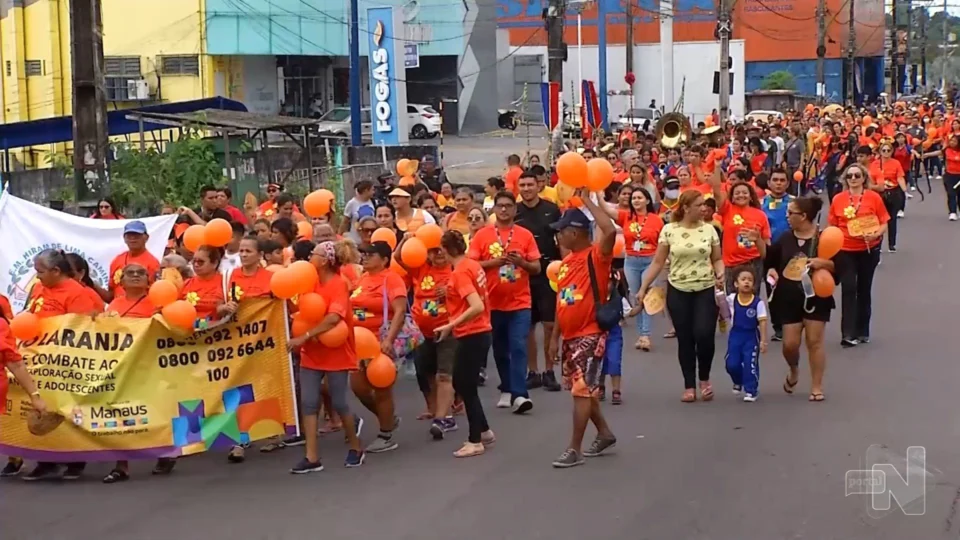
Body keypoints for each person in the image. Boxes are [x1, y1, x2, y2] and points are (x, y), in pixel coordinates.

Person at [17, 249, 103, 481]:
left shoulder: (77, 293)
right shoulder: (39, 289)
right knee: (43, 410)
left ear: (56, 271)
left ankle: (76, 459)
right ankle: (46, 460)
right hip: (39, 359)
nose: (37, 276)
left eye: (41, 271)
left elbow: (83, 331)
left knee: (68, 409)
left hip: (65, 363)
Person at [546, 196, 618, 469]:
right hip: (570, 336)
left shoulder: (596, 257)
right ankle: (604, 433)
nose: (558, 235)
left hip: (590, 333)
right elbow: (561, 300)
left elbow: (609, 230)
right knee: (583, 390)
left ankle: (574, 448)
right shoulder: (565, 263)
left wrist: (589, 200)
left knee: (581, 390)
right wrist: (554, 338)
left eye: (561, 230)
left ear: (574, 232)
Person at [636, 191, 724, 402]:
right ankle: (689, 385)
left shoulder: (709, 229)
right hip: (678, 289)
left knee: (704, 335)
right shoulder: (669, 230)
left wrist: (720, 272)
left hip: (705, 288)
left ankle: (704, 378)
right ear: (686, 208)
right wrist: (643, 287)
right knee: (685, 339)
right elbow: (658, 262)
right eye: (699, 205)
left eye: (704, 205)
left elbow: (717, 258)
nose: (704, 208)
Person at [286, 241, 364, 472]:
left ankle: (355, 447)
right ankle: (311, 457)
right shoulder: (309, 282)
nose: (310, 256)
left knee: (339, 402)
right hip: (313, 351)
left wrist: (305, 336)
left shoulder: (339, 284)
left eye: (314, 254)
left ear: (325, 260)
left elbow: (333, 318)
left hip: (336, 350)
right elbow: (301, 308)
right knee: (309, 402)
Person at [468, 191, 542, 414]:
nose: (503, 210)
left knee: (518, 346)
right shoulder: (482, 235)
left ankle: (520, 395)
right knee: (500, 350)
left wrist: (522, 263)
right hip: (492, 302)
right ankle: (507, 388)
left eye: (508, 206)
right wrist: (493, 262)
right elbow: (470, 267)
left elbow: (537, 267)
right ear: (494, 209)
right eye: (500, 206)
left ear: (514, 209)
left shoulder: (525, 235)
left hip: (520, 302)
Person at [766, 196, 836, 402]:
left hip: (816, 295)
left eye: (791, 213)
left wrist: (822, 263)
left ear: (804, 216)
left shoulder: (823, 238)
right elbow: (771, 262)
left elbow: (839, 266)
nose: (787, 217)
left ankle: (816, 386)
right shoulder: (785, 238)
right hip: (788, 298)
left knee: (814, 342)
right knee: (789, 344)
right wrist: (772, 272)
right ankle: (794, 369)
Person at [432, 230, 496, 457]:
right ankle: (484, 430)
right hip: (479, 331)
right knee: (464, 383)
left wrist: (451, 324)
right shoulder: (473, 265)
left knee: (464, 384)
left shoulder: (460, 272)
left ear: (446, 250)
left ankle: (475, 439)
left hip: (472, 332)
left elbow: (476, 305)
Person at [101, 263, 162, 483]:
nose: (135, 276)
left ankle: (164, 452)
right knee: (119, 412)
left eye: (141, 273)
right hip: (121, 367)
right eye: (130, 273)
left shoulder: (158, 303)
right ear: (121, 280)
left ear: (149, 280)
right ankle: (121, 465)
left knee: (155, 411)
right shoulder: (114, 305)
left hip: (149, 366)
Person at [395, 236, 456, 436]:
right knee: (424, 371)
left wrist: (450, 291)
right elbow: (398, 257)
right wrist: (407, 239)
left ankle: (443, 417)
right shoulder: (420, 268)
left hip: (448, 330)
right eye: (432, 250)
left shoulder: (456, 270)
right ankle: (433, 407)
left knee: (444, 374)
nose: (437, 254)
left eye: (440, 250)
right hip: (421, 332)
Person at [349, 241, 406, 453]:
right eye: (364, 253)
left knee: (382, 388)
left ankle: (386, 434)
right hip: (358, 343)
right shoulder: (362, 278)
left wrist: (388, 340)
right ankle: (388, 419)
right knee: (358, 387)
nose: (365, 257)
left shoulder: (391, 278)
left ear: (383, 259)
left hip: (380, 340)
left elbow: (399, 310)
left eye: (370, 254)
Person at [828, 163, 889, 348]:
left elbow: (884, 221)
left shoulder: (874, 198)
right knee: (849, 288)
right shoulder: (838, 199)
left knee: (864, 289)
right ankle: (848, 333)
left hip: (868, 249)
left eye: (857, 175)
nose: (853, 179)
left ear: (864, 178)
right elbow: (832, 225)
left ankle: (862, 331)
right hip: (845, 249)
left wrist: (877, 233)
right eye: (850, 176)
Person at [515, 172, 563, 391]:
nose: (526, 188)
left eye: (530, 184)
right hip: (523, 272)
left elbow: (561, 240)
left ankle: (549, 371)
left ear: (538, 186)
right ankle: (532, 372)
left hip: (549, 272)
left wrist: (566, 267)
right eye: (522, 185)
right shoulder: (514, 212)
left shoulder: (551, 209)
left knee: (550, 324)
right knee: (528, 326)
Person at [618, 187, 664, 351]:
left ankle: (646, 335)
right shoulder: (625, 217)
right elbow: (604, 211)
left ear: (647, 200)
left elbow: (662, 242)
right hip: (631, 261)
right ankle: (641, 335)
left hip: (650, 261)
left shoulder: (656, 219)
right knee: (636, 296)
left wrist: (663, 260)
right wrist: (595, 195)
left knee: (646, 296)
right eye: (633, 198)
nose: (636, 200)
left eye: (639, 197)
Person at [710, 173, 771, 295]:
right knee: (732, 302)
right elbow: (716, 192)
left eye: (744, 192)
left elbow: (766, 245)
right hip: (732, 264)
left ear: (751, 196)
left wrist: (757, 240)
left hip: (754, 263)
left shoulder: (760, 215)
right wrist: (717, 166)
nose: (741, 195)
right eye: (737, 193)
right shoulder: (727, 210)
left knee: (751, 301)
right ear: (731, 197)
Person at [724, 268, 768, 402]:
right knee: (731, 363)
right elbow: (720, 306)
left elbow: (763, 321)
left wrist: (763, 341)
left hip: (751, 336)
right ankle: (738, 380)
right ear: (736, 284)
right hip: (736, 335)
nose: (746, 282)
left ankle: (751, 390)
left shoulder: (758, 303)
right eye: (743, 280)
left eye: (750, 280)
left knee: (750, 363)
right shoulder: (731, 299)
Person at [761, 169, 795, 341]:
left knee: (791, 289)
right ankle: (778, 326)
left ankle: (792, 322)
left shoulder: (795, 203)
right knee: (772, 288)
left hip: (790, 251)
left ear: (788, 183)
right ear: (769, 183)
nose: (779, 183)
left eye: (782, 180)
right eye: (775, 180)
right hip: (769, 251)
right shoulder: (761, 203)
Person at [181, 245, 235, 329]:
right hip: (188, 333)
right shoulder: (187, 283)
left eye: (200, 262)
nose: (196, 265)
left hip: (216, 333)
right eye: (194, 261)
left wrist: (224, 309)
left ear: (215, 263)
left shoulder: (226, 282)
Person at [107, 220, 161, 302]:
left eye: (137, 235)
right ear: (124, 239)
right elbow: (111, 294)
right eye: (129, 236)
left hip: (141, 311)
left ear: (146, 237)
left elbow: (155, 294)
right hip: (117, 311)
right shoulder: (117, 260)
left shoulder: (153, 263)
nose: (133, 239)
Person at [869, 140, 907, 252]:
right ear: (880, 151)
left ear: (892, 151)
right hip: (879, 194)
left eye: (888, 150)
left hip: (893, 192)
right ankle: (877, 244)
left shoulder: (896, 163)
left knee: (892, 219)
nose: (886, 152)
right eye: (884, 150)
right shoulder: (875, 164)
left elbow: (900, 177)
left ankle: (892, 244)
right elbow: (871, 178)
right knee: (878, 221)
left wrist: (904, 190)